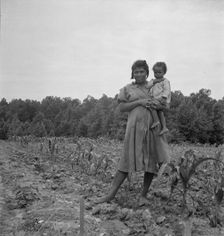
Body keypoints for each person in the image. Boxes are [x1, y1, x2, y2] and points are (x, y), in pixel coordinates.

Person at [95, 60, 170, 206]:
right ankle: (110, 195)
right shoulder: (127, 88)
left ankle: (143, 195)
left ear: (147, 73)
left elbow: (166, 105)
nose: (139, 74)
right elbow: (122, 107)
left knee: (151, 161)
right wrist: (139, 102)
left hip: (152, 127)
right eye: (136, 71)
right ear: (132, 74)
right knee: (126, 160)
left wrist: (159, 105)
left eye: (142, 71)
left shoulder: (154, 86)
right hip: (134, 128)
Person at [147, 62, 171, 135]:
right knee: (160, 112)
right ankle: (164, 127)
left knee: (151, 106)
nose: (157, 74)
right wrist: (154, 82)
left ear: (164, 72)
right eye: (155, 72)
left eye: (159, 72)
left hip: (161, 99)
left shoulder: (165, 81)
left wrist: (164, 97)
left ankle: (156, 121)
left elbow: (167, 90)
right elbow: (147, 86)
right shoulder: (153, 81)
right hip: (155, 99)